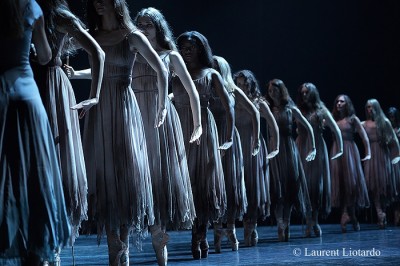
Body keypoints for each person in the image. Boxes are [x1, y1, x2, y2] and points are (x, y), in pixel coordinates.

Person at [65, 0, 168, 265]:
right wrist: (76, 73)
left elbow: (161, 69)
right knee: (105, 173)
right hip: (99, 108)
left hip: (123, 106)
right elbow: (102, 68)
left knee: (125, 172)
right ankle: (116, 247)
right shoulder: (93, 35)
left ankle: (122, 243)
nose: (98, 4)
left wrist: (162, 105)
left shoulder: (131, 35)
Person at [0, 0, 70, 265]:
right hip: (27, 96)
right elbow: (45, 55)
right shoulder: (30, 6)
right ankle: (37, 250)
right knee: (34, 176)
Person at [31, 0, 105, 250]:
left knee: (54, 156)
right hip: (29, 83)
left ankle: (55, 239)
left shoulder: (60, 16)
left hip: (51, 86)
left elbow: (98, 53)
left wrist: (94, 95)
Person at [132, 7, 202, 265]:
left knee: (159, 175)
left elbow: (191, 91)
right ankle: (142, 233)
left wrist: (198, 124)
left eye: (148, 24)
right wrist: (79, 75)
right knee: (140, 175)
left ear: (158, 27)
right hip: (135, 116)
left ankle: (159, 237)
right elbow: (107, 71)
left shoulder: (169, 55)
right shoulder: (133, 53)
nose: (142, 27)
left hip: (160, 119)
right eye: (139, 23)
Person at [172, 31, 234, 259]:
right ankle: (194, 232)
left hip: (203, 131)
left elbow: (229, 107)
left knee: (203, 185)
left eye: (191, 47)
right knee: (186, 182)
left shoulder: (211, 74)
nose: (187, 51)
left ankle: (199, 235)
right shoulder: (175, 71)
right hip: (179, 129)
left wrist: (228, 138)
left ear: (201, 49)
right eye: (183, 47)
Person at [211, 58, 262, 252]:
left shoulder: (233, 90)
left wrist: (256, 139)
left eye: (216, 67)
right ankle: (216, 230)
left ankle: (231, 228)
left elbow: (255, 113)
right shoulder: (207, 89)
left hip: (230, 141)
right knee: (215, 185)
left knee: (231, 185)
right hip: (213, 140)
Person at [233, 70, 280, 246]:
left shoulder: (258, 103)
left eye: (245, 84)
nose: (241, 87)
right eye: (238, 84)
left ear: (251, 84)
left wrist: (275, 146)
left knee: (253, 186)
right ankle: (240, 224)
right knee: (239, 184)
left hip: (254, 147)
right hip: (238, 147)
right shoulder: (234, 99)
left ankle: (250, 226)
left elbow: (273, 124)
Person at [265, 78, 316, 242]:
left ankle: (285, 223)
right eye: (270, 90)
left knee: (288, 188)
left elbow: (307, 126)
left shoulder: (290, 108)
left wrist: (313, 147)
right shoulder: (267, 108)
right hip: (273, 149)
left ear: (282, 91)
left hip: (288, 149)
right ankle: (280, 222)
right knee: (275, 188)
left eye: (276, 90)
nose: (273, 93)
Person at [295, 82, 343, 237]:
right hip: (301, 146)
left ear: (313, 93)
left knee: (316, 185)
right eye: (302, 93)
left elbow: (335, 129)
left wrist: (341, 148)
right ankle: (309, 219)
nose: (304, 95)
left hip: (317, 149)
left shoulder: (321, 110)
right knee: (304, 185)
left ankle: (314, 220)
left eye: (306, 92)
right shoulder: (298, 109)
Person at [330, 94, 370, 233]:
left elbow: (364, 137)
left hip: (349, 151)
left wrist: (368, 152)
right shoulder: (333, 119)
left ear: (347, 104)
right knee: (340, 184)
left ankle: (347, 214)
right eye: (337, 101)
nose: (339, 103)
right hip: (336, 151)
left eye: (342, 101)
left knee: (351, 184)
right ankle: (351, 216)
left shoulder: (353, 119)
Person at [361, 99, 400, 229]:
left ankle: (382, 213)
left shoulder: (385, 122)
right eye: (367, 107)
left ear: (376, 107)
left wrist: (396, 156)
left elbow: (394, 140)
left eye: (371, 107)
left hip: (383, 155)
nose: (369, 110)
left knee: (383, 186)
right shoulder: (365, 124)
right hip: (371, 155)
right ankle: (379, 213)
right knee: (373, 186)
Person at [387, 106, 400, 226]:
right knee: (394, 187)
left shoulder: (399, 130)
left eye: (393, 117)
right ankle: (396, 213)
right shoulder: (387, 130)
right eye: (390, 117)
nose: (391, 119)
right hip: (391, 159)